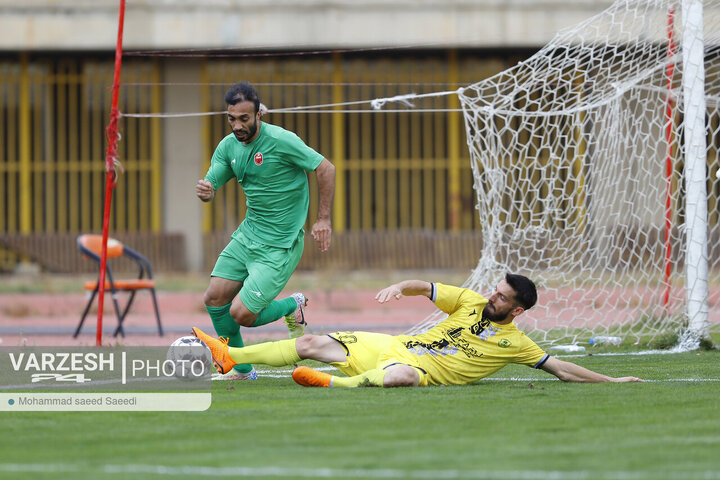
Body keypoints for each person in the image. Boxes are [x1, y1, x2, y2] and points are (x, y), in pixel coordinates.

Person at [191, 274, 644, 387]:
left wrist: (612, 381)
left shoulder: (515, 343)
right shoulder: (469, 300)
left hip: (415, 367)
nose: (493, 297)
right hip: (391, 344)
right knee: (309, 341)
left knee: (401, 379)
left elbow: (560, 368)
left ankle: (333, 384)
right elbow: (424, 286)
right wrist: (397, 287)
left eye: (503, 298)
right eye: (496, 291)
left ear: (518, 310)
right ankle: (232, 355)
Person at [196, 81, 335, 380]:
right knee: (214, 298)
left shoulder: (282, 140)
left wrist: (322, 220)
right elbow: (213, 182)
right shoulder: (228, 146)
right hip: (248, 236)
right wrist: (207, 191)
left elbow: (326, 168)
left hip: (280, 245)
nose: (237, 126)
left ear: (259, 114)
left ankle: (292, 304)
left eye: (244, 119)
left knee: (241, 315)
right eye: (232, 119)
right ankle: (242, 370)